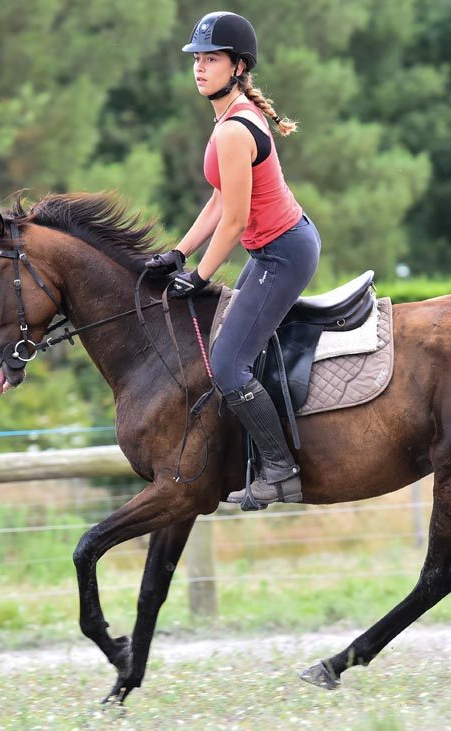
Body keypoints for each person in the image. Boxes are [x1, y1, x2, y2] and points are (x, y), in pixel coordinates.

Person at [143, 11, 320, 507]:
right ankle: (255, 455)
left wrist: (197, 277)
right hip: (278, 247)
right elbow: (220, 199)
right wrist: (178, 252)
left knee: (226, 364)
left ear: (239, 67)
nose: (200, 68)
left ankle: (281, 469)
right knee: (231, 343)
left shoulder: (233, 130)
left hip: (282, 253)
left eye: (211, 59)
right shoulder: (230, 117)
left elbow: (236, 221)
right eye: (197, 59)